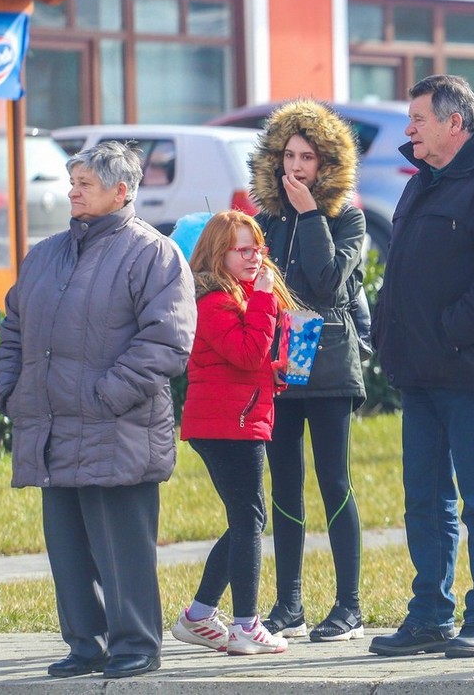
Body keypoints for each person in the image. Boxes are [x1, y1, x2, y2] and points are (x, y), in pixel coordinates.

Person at [0, 141, 195, 679]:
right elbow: (13, 326)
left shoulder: (153, 254)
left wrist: (106, 394)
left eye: (84, 183)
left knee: (122, 547)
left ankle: (136, 645)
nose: (71, 191)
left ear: (120, 191)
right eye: (73, 181)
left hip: (117, 427)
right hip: (52, 428)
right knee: (68, 550)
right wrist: (9, 389)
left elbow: (167, 341)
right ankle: (87, 643)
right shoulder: (46, 253)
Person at [369, 75, 474, 659]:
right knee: (425, 499)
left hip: (467, 365)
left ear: (454, 122)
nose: (409, 130)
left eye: (418, 120)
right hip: (417, 366)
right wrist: (388, 330)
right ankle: (430, 614)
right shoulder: (422, 180)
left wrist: (456, 329)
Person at [250, 99, 367, 642]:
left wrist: (311, 215)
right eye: (289, 155)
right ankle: (288, 603)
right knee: (285, 485)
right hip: (276, 367)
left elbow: (328, 285)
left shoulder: (348, 218)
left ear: (328, 166)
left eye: (308, 157)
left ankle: (348, 605)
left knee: (334, 481)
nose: (295, 167)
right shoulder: (264, 221)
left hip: (329, 367)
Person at [172, 212, 296, 657]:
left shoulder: (239, 296)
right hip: (228, 425)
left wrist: (280, 370)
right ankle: (245, 625)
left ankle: (201, 615)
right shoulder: (213, 301)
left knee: (247, 520)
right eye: (243, 250)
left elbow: (253, 359)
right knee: (249, 521)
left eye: (258, 248)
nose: (254, 258)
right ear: (217, 254)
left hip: (239, 418)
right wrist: (263, 301)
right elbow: (245, 354)